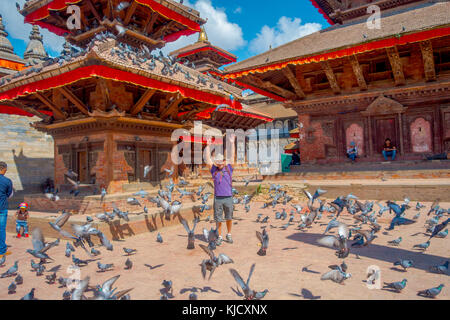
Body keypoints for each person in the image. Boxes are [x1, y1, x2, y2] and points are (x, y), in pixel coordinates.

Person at [205, 135, 236, 246]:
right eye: (217, 161)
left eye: (221, 161)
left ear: (224, 161)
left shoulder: (229, 168)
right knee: (218, 219)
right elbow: (208, 159)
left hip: (228, 197)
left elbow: (232, 156)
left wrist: (232, 143)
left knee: (229, 217)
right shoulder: (214, 170)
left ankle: (229, 234)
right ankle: (220, 236)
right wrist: (208, 146)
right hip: (218, 198)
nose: (219, 163)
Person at [0, 161, 13, 257]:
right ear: (3, 169)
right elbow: (10, 195)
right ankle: (1, 251)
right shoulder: (7, 181)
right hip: (2, 208)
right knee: (1, 229)